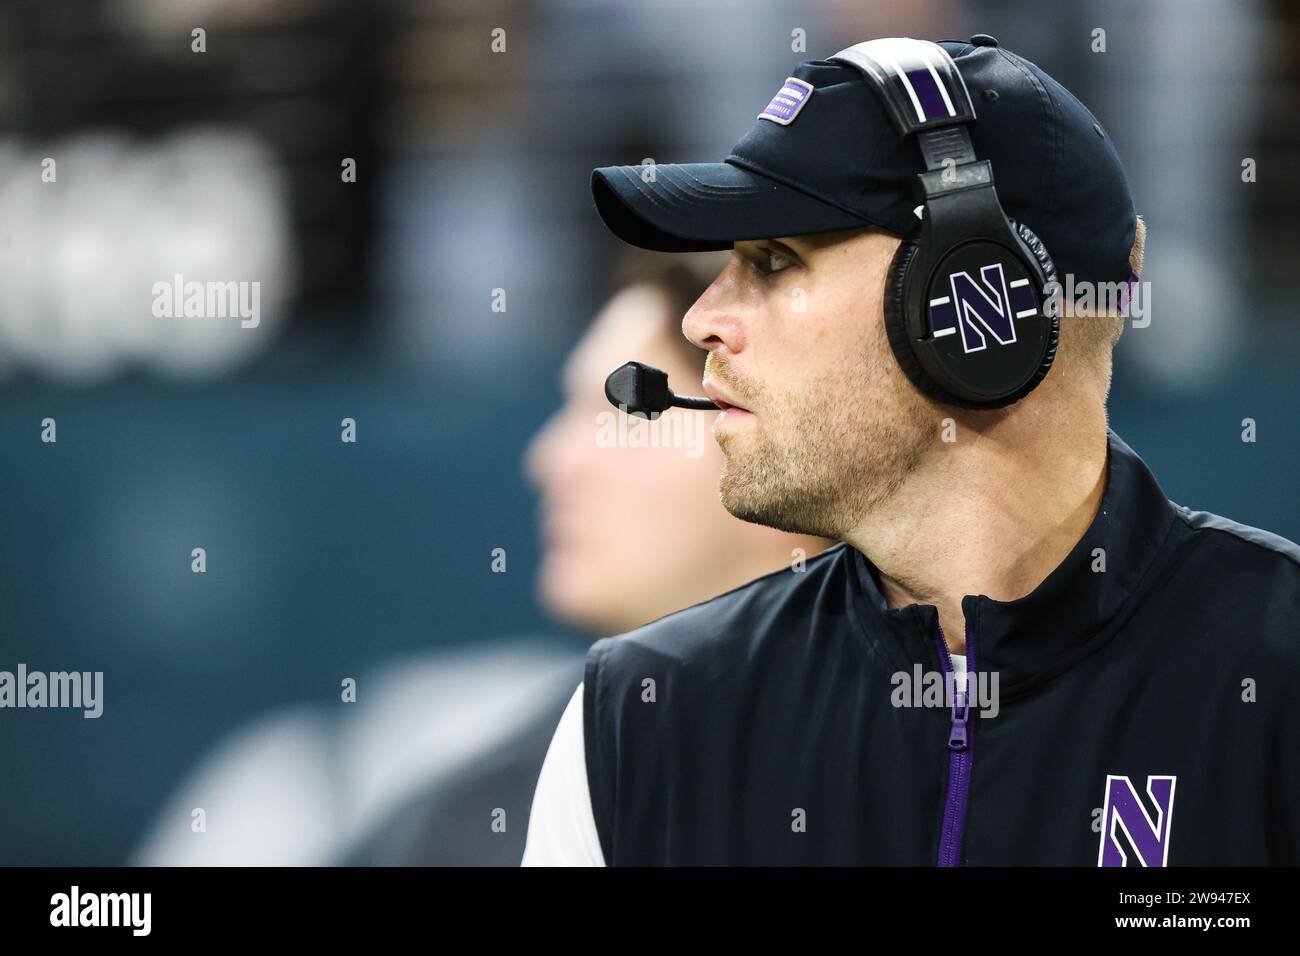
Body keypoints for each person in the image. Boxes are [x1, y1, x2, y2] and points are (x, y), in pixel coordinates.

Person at [521, 36, 1300, 866]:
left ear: (973, 301)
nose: (701, 319)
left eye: (773, 261)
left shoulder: (1277, 676)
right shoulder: (642, 721)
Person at [132, 251, 828, 866]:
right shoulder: (481, 807)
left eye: (617, 412)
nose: (549, 460)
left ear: (779, 450)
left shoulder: (908, 761)